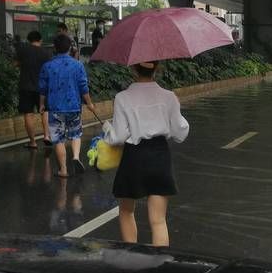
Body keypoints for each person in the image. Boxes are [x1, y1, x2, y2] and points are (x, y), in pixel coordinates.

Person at [102, 62, 189, 246]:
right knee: (158, 221)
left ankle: (132, 256)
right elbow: (180, 133)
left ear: (133, 68)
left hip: (134, 157)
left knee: (126, 212)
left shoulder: (122, 98)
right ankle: (160, 262)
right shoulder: (169, 97)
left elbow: (118, 137)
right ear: (157, 68)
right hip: (160, 156)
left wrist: (107, 129)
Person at [39, 33, 97, 178]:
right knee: (76, 134)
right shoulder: (78, 65)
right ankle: (76, 157)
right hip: (74, 106)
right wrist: (89, 103)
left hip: (55, 108)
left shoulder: (47, 66)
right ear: (70, 48)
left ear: (54, 48)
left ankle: (63, 170)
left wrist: (41, 104)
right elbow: (83, 87)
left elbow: (43, 89)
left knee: (58, 139)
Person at [15, 31, 51, 149]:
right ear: (40, 40)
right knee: (44, 112)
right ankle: (46, 136)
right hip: (42, 88)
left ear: (28, 40)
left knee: (28, 114)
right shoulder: (46, 53)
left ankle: (33, 142)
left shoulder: (23, 50)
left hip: (26, 87)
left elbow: (16, 64)